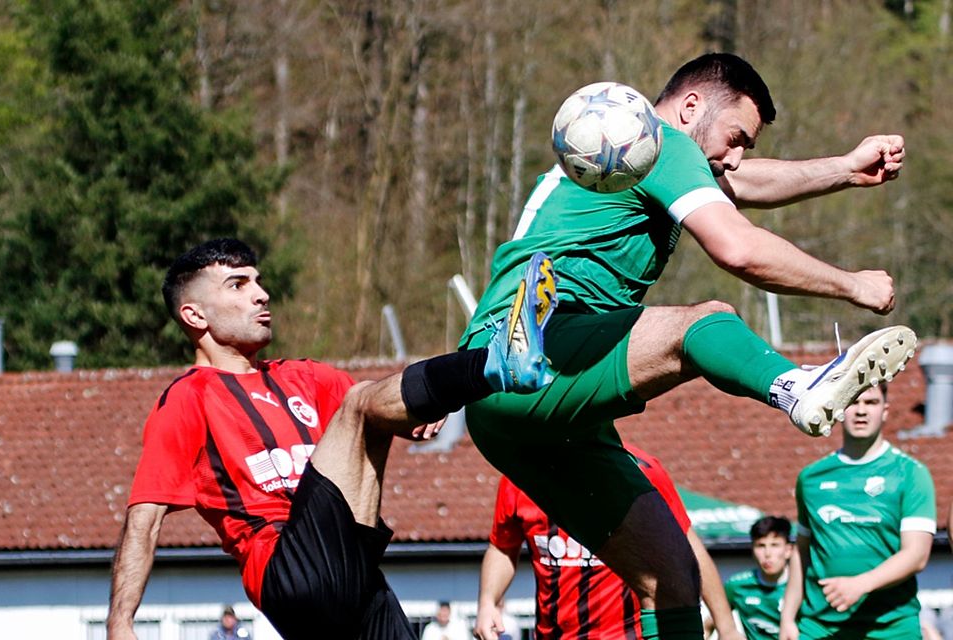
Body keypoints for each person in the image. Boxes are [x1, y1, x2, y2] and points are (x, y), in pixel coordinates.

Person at [459, 51, 916, 639]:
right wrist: (852, 285)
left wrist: (847, 169)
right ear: (692, 106)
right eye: (735, 136)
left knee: (673, 576)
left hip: (516, 411)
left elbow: (740, 181)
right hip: (528, 349)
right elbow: (739, 249)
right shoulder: (652, 142)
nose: (736, 155)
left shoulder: (628, 150)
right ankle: (794, 386)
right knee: (701, 323)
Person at [106, 239, 558, 640]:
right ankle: (493, 364)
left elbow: (386, 409)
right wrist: (119, 624)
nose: (261, 294)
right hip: (286, 566)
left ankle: (496, 362)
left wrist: (419, 413)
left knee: (367, 404)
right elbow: (144, 520)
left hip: (353, 570)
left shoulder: (304, 377)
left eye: (258, 282)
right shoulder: (188, 398)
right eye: (238, 285)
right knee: (361, 404)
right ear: (194, 314)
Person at [474, 444, 742, 640]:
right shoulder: (519, 476)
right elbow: (502, 546)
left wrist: (726, 626)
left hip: (628, 634)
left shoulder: (640, 470)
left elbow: (686, 545)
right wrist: (487, 602)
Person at [779, 383, 936, 639]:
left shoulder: (911, 473)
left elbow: (917, 554)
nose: (861, 411)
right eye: (853, 401)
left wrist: (860, 584)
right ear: (839, 408)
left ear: (885, 411)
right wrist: (787, 617)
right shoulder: (810, 477)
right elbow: (803, 552)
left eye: (871, 403)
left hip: (891, 627)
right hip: (820, 626)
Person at [719, 516, 794, 640]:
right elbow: (710, 623)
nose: (767, 553)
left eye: (775, 545)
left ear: (788, 550)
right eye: (760, 546)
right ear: (752, 549)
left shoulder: (804, 586)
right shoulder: (736, 586)